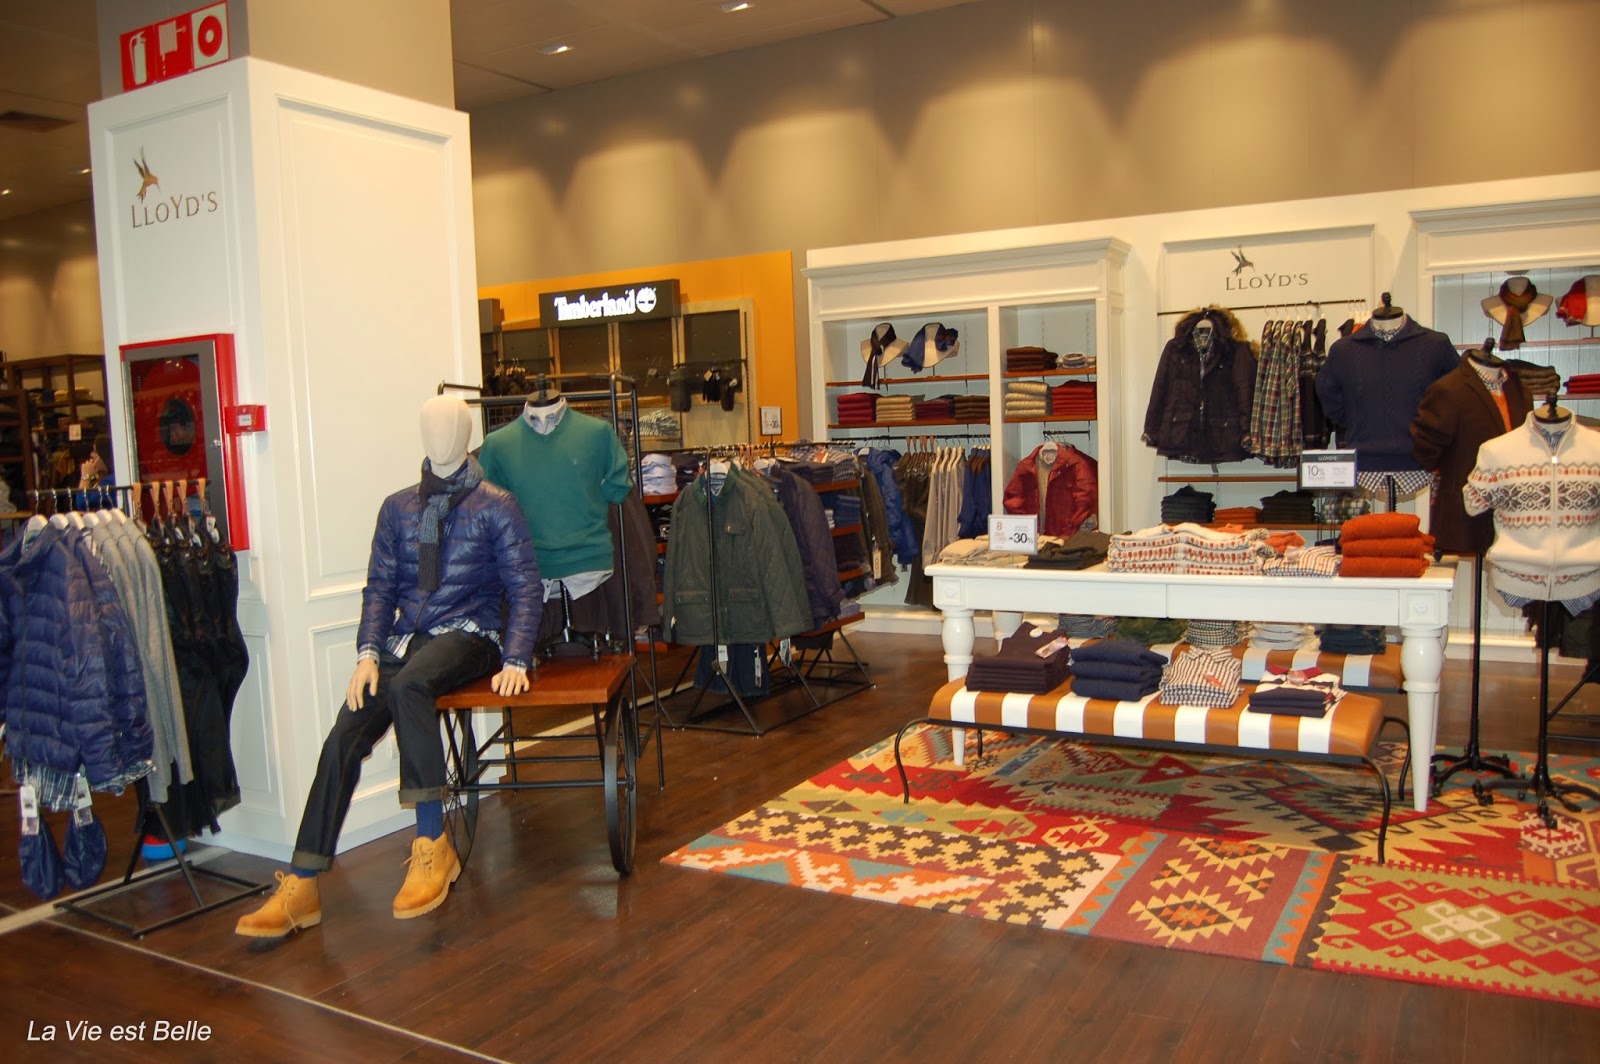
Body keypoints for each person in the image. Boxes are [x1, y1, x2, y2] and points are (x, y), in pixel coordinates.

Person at [235, 397, 541, 938]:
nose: (439, 436)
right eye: (430, 426)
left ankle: (432, 843)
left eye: (449, 427)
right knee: (344, 733)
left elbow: (524, 587)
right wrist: (367, 654)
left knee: (412, 686)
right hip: (408, 641)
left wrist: (516, 655)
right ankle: (302, 881)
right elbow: (379, 588)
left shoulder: (497, 505)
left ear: (466, 433)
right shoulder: (398, 508)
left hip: (471, 634)